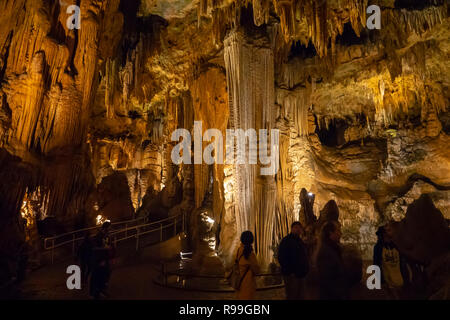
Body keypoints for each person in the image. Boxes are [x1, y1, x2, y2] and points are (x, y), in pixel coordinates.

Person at [373, 225, 410, 299]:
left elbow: (402, 264)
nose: (390, 234)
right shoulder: (378, 248)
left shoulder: (396, 246)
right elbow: (376, 264)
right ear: (383, 235)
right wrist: (380, 281)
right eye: (388, 231)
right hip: (388, 284)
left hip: (400, 282)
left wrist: (406, 280)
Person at [315, 221, 349, 300]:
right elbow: (327, 280)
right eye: (338, 230)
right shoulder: (326, 252)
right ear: (331, 233)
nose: (341, 233)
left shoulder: (332, 249)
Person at [277, 221, 309, 299]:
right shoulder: (286, 241)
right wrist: (290, 271)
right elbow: (281, 257)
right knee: (292, 295)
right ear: (291, 229)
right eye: (296, 228)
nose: (298, 230)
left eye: (299, 228)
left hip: (301, 274)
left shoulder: (300, 241)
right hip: (291, 275)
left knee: (300, 295)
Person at [234, 231, 260, 300]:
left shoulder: (239, 250)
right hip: (248, 283)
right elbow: (256, 270)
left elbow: (235, 262)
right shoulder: (250, 254)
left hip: (239, 281)